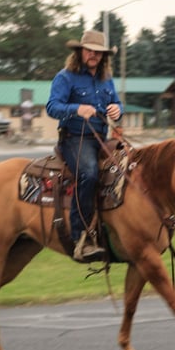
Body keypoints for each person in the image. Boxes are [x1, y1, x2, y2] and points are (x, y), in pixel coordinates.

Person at [46, 30, 123, 262]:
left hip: (101, 137)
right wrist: (76, 109)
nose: (94, 55)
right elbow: (52, 107)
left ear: (104, 56)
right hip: (75, 138)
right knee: (89, 174)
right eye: (89, 50)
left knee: (128, 168)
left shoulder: (106, 78)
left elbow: (117, 103)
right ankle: (81, 237)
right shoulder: (65, 77)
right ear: (80, 51)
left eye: (98, 53)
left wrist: (118, 110)